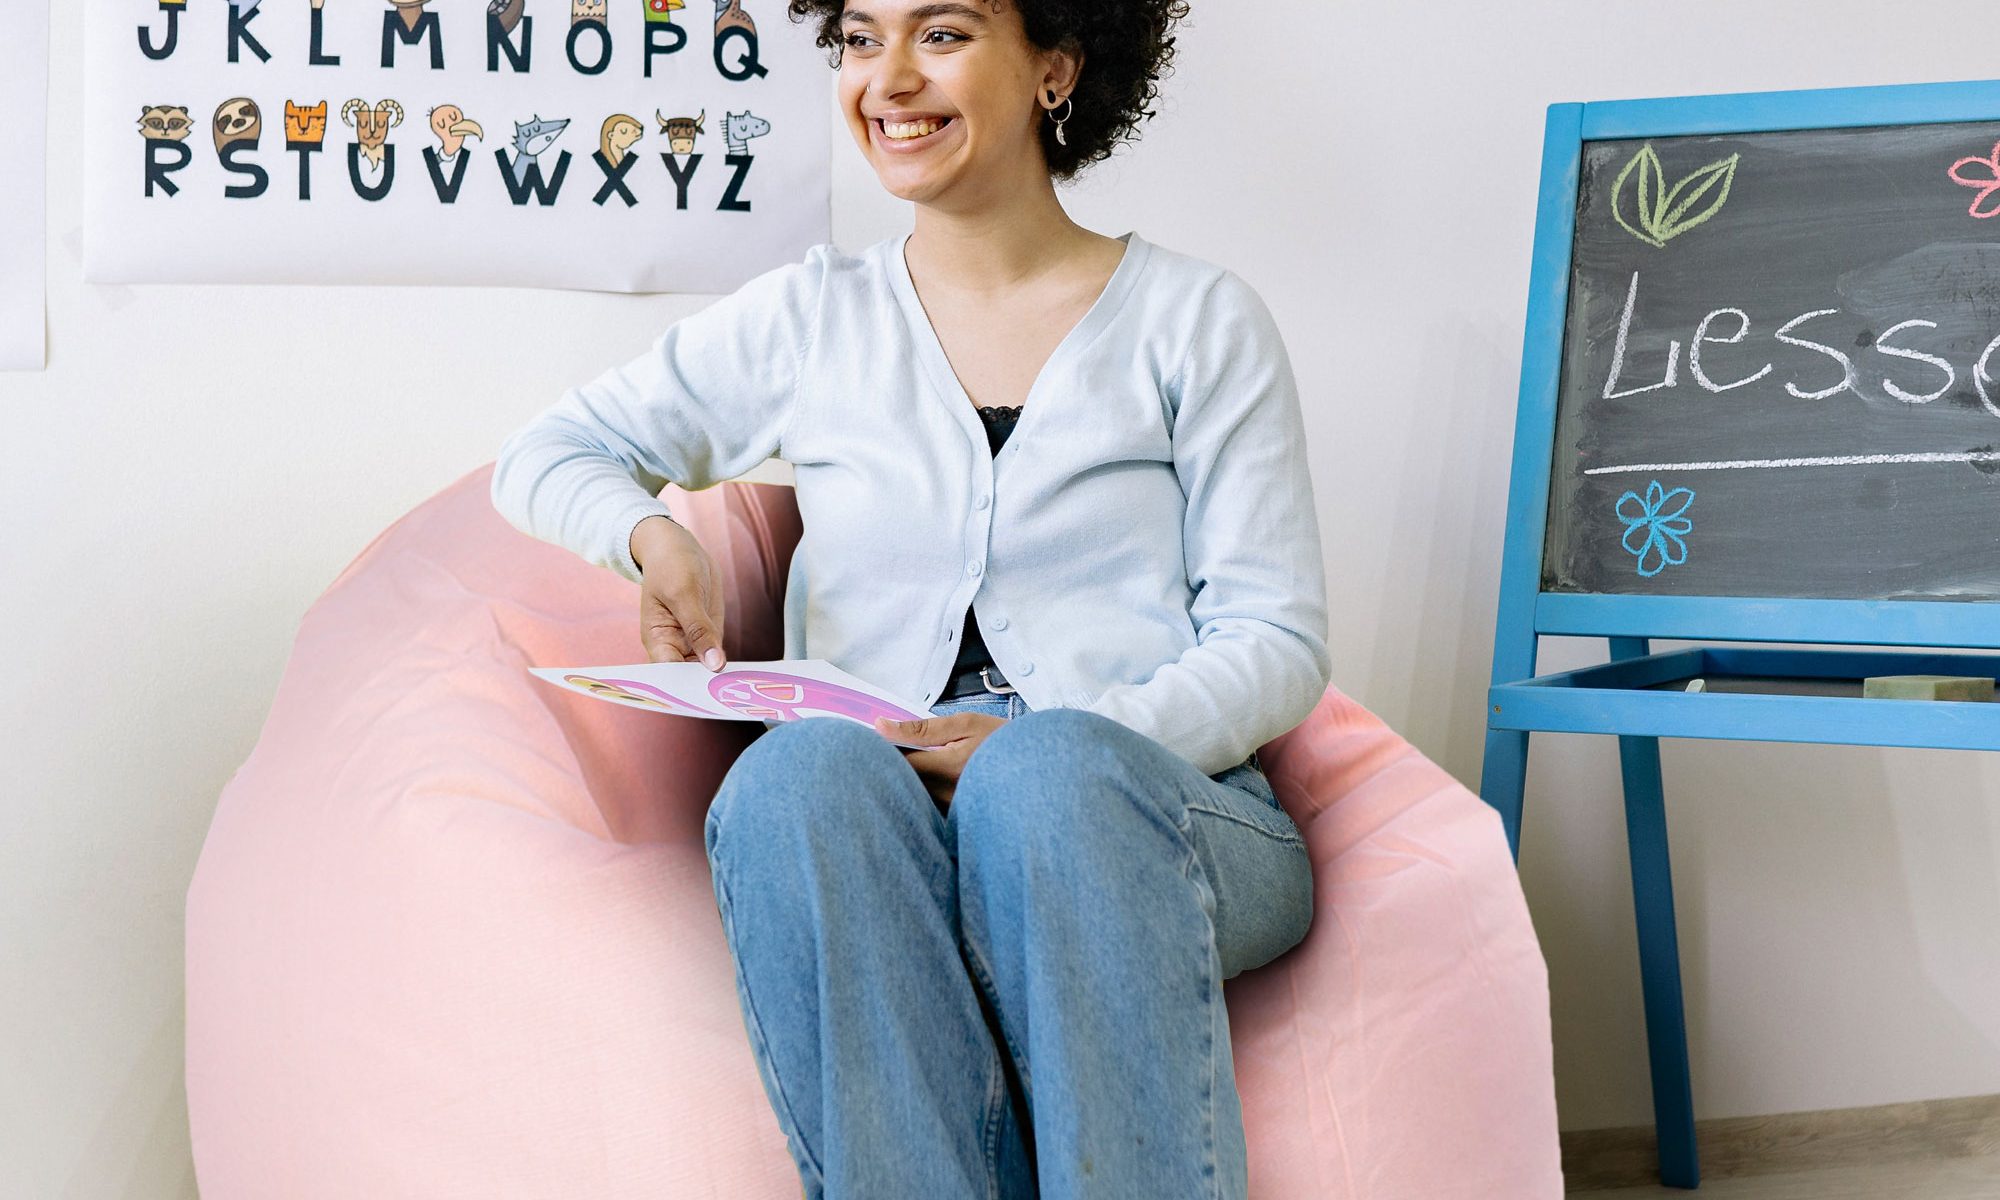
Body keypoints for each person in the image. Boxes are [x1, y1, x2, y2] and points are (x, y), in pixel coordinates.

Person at [489, 1, 1331, 1195]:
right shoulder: (811, 317)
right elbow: (548, 451)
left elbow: (1276, 638)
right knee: (795, 775)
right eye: (858, 39)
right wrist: (651, 539)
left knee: (1046, 783)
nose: (886, 79)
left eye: (939, 35)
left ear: (1055, 67)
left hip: (1151, 813)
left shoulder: (1197, 322)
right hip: (881, 811)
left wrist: (1041, 743)